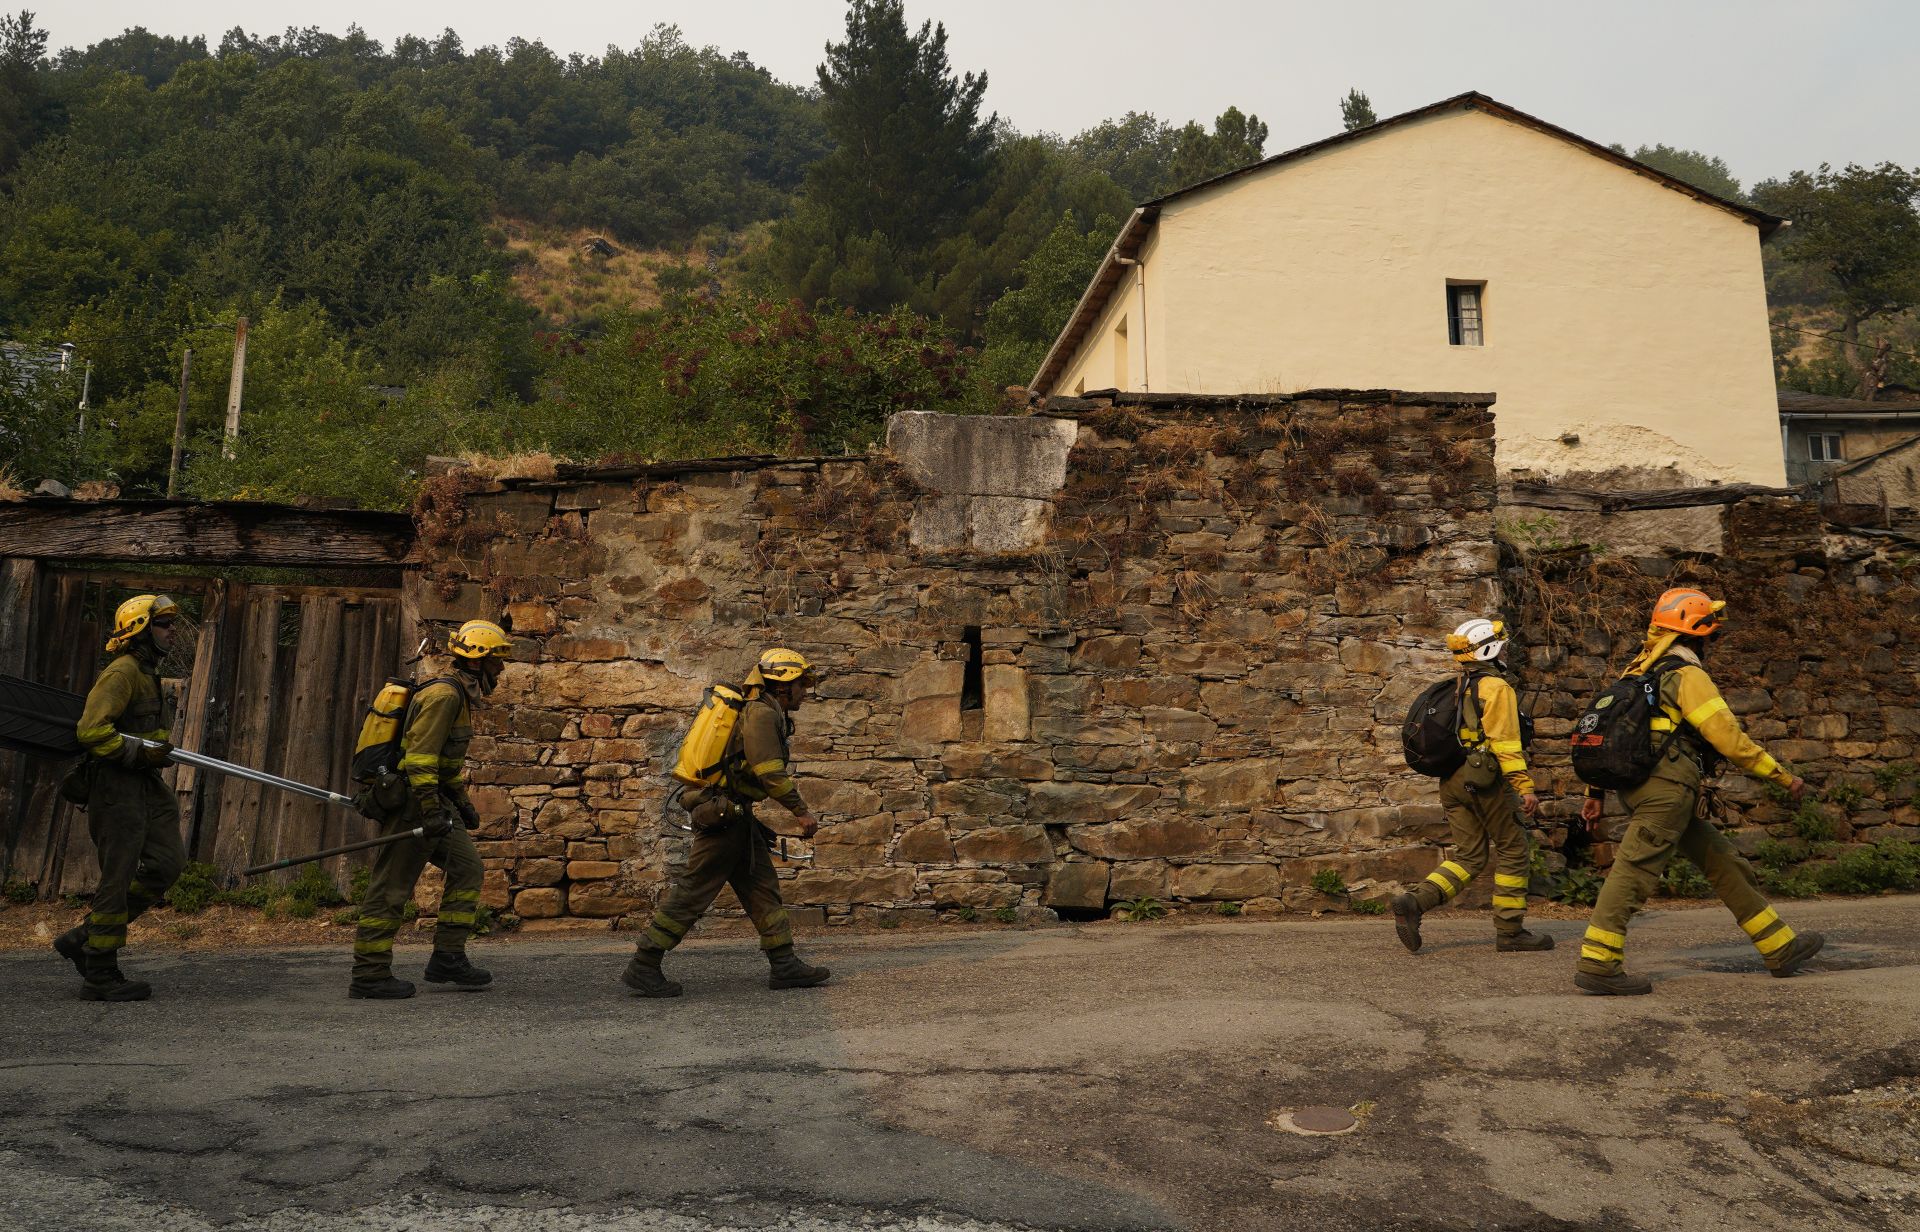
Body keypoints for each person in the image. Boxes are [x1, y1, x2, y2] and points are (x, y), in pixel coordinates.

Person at [1575, 588, 1823, 995]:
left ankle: (1779, 945)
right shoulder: (1686, 675)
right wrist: (1782, 777)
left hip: (1641, 788)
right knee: (1634, 871)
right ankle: (1599, 963)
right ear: (1698, 633)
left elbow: (1607, 736)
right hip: (1667, 790)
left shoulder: (1638, 672)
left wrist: (1595, 793)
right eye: (1711, 635)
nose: (1712, 643)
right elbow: (1729, 740)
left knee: (1720, 859)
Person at [623, 648, 830, 997]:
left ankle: (784, 964)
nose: (805, 692)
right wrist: (801, 811)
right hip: (724, 818)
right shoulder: (762, 715)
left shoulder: (764, 711)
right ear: (783, 686)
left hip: (736, 816)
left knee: (763, 890)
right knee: (693, 892)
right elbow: (769, 773)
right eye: (801, 685)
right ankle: (644, 963)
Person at [348, 619, 510, 1000]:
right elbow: (420, 759)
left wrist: (461, 803)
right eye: (497, 661)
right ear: (477, 661)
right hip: (413, 804)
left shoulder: (459, 694)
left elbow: (444, 763)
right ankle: (369, 973)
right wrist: (431, 810)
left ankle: (448, 958)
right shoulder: (444, 697)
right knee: (392, 887)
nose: (502, 669)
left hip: (432, 801)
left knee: (467, 868)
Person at [1392, 618, 1553, 954]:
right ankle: (1510, 931)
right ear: (1490, 649)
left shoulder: (1458, 685)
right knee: (1513, 849)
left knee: (1468, 856)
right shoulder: (1496, 688)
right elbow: (1505, 743)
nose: (1506, 649)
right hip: (1484, 779)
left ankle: (1414, 903)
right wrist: (1524, 786)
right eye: (1502, 643)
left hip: (1452, 780)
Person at [55, 595, 188, 1001]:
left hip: (145, 784)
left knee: (168, 862)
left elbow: (152, 735)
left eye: (170, 623)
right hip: (115, 786)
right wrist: (139, 753)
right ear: (142, 630)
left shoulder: (149, 673)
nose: (171, 631)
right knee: (118, 875)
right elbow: (92, 731)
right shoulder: (122, 672)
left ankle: (85, 936)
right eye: (163, 624)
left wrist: (155, 750)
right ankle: (100, 971)